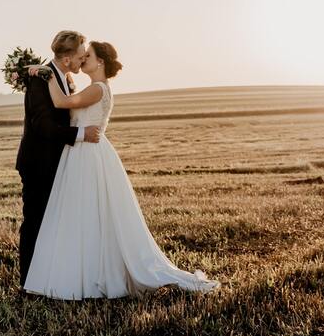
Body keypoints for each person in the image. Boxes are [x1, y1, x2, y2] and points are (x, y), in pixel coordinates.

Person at [23, 40, 220, 299]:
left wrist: (47, 75)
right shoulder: (92, 87)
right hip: (80, 154)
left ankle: (93, 275)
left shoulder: (97, 89)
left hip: (90, 155)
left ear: (100, 62)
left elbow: (61, 104)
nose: (83, 59)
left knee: (91, 212)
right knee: (85, 214)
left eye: (88, 55)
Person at [15, 30, 101, 288]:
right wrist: (80, 133)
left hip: (58, 163)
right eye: (80, 55)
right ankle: (28, 282)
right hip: (39, 163)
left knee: (54, 222)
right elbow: (41, 125)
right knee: (36, 221)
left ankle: (49, 277)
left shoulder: (64, 79)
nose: (83, 59)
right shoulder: (41, 79)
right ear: (67, 60)